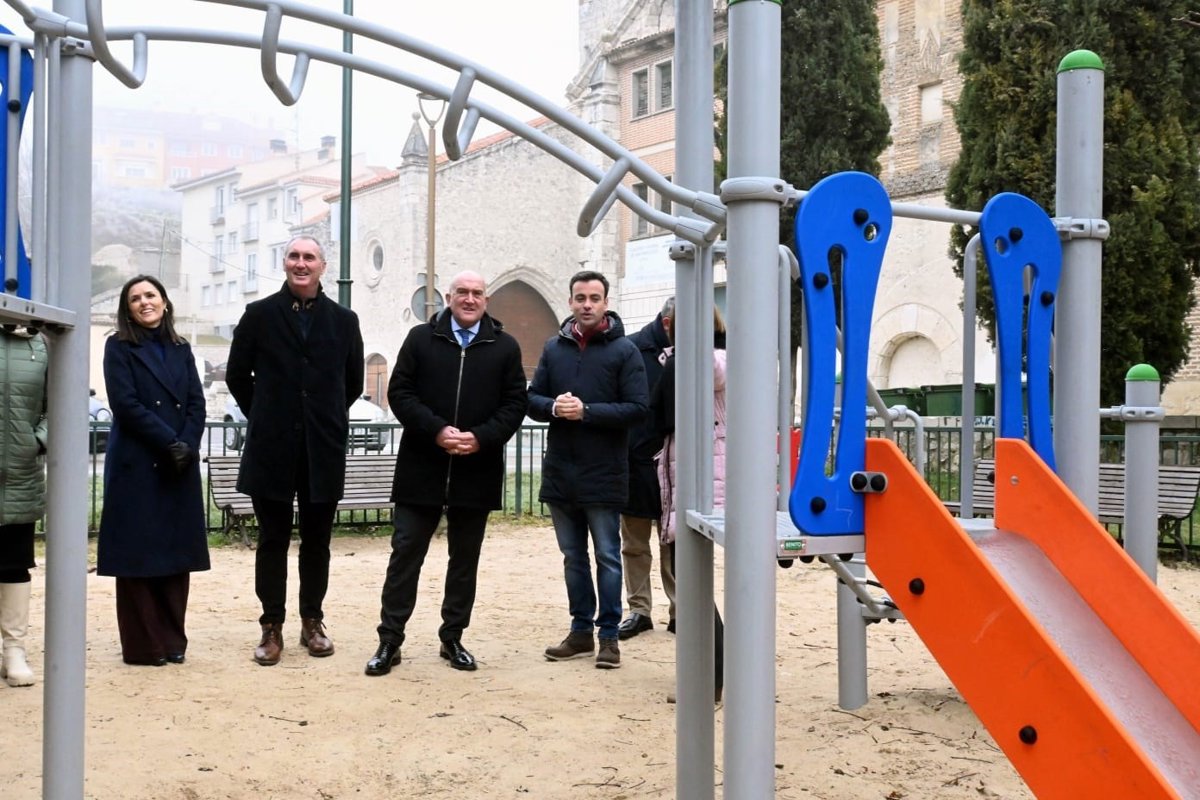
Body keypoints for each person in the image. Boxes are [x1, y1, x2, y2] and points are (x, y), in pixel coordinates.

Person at [364, 270, 527, 676]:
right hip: (422, 467)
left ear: (486, 300)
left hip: (477, 470)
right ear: (449, 297)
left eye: (477, 293)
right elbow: (400, 392)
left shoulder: (505, 347)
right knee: (405, 556)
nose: (469, 299)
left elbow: (514, 404)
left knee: (464, 561)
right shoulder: (421, 339)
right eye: (462, 292)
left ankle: (452, 637)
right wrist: (436, 430)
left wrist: (481, 437)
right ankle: (390, 640)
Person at [226, 236, 364, 666]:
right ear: (284, 263)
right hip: (271, 447)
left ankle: (312, 621)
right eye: (294, 256)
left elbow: (352, 383)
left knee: (317, 542)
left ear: (323, 266)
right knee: (272, 540)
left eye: (309, 257)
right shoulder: (259, 315)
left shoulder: (344, 321)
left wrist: (322, 416)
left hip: (322, 448)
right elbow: (236, 376)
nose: (301, 264)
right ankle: (271, 626)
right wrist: (267, 413)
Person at [528, 270, 648, 669]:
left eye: (594, 298)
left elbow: (638, 408)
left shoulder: (625, 351)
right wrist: (552, 407)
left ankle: (609, 637)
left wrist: (588, 412)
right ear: (570, 302)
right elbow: (532, 399)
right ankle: (580, 632)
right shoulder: (554, 348)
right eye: (580, 298)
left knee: (608, 557)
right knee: (573, 557)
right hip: (561, 472)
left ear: (606, 303)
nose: (587, 305)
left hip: (605, 472)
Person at [97, 275, 210, 667]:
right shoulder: (118, 346)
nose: (144, 302)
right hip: (138, 463)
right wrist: (169, 441)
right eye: (135, 298)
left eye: (150, 295)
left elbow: (196, 402)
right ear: (127, 309)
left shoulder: (181, 348)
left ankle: (173, 640)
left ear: (164, 301)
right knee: (138, 557)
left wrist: (187, 444)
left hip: (178, 464)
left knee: (175, 556)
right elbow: (125, 404)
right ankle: (145, 646)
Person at [654, 305, 726, 702]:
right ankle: (712, 674)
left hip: (705, 486)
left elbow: (712, 370)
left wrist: (691, 342)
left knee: (692, 583)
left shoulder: (715, 359)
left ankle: (710, 679)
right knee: (690, 580)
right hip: (692, 479)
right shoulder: (680, 361)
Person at [618, 297, 676, 640]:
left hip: (677, 462)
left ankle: (682, 610)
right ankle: (639, 610)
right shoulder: (631, 350)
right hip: (637, 460)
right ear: (668, 324)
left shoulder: (700, 349)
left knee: (676, 543)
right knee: (634, 542)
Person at [0, 324, 48, 686]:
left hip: (19, 473)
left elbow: (60, 403)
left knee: (15, 565)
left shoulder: (43, 343)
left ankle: (14, 651)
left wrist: (38, 441)